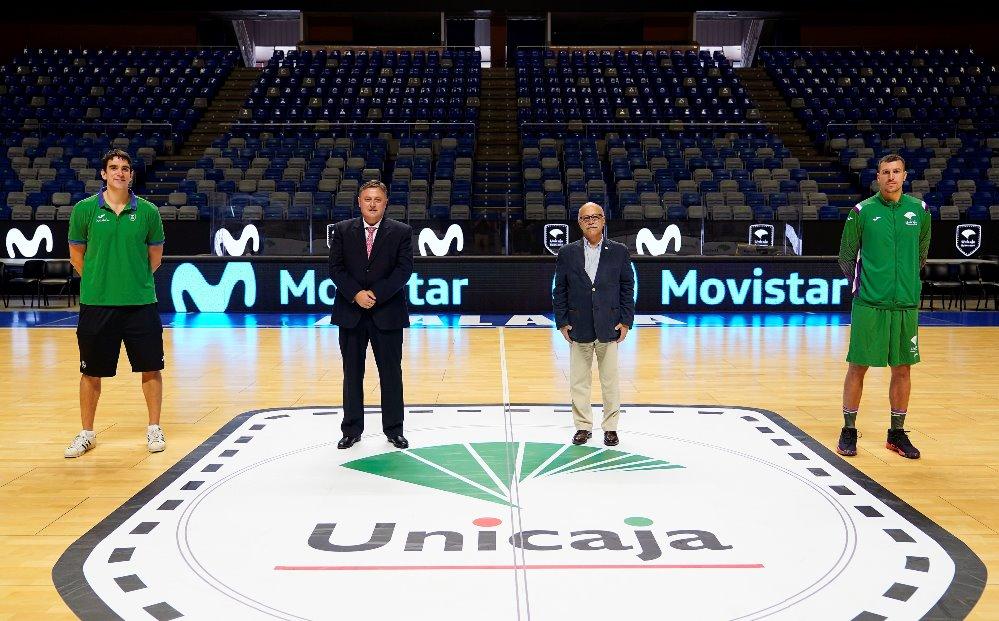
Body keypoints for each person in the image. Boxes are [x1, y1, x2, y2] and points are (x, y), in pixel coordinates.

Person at [64, 149, 166, 458]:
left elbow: (155, 258)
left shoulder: (148, 212)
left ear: (131, 175)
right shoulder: (84, 210)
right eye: (113, 167)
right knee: (90, 372)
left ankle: (153, 428)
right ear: (103, 174)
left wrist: (131, 281)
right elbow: (76, 255)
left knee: (151, 368)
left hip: (140, 303)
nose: (119, 172)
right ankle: (87, 433)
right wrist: (98, 280)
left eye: (125, 168)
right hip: (97, 304)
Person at [836, 154, 931, 459]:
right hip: (869, 304)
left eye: (897, 172)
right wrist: (868, 286)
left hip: (905, 304)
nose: (891, 177)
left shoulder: (920, 211)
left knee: (902, 369)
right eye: (885, 172)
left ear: (905, 176)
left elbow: (921, 254)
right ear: (877, 177)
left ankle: (896, 434)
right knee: (858, 367)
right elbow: (846, 257)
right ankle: (849, 430)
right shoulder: (862, 211)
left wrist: (905, 284)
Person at [329, 179, 414, 449]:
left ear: (386, 202)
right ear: (359, 202)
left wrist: (374, 295)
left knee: (390, 373)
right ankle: (351, 429)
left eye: (378, 199)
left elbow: (403, 271)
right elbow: (336, 269)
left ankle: (393, 429)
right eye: (368, 199)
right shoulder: (342, 231)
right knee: (352, 373)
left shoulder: (401, 232)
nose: (373, 204)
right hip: (350, 312)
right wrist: (356, 294)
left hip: (387, 312)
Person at [553, 202, 635, 446]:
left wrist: (626, 321)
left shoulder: (619, 251)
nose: (591, 221)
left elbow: (627, 287)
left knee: (610, 381)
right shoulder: (567, 252)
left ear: (603, 221)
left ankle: (610, 427)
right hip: (578, 326)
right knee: (579, 381)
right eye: (585, 217)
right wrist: (562, 321)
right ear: (579, 223)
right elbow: (560, 289)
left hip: (609, 325)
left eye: (595, 216)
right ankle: (583, 427)